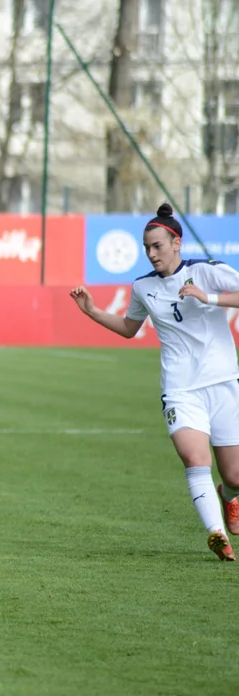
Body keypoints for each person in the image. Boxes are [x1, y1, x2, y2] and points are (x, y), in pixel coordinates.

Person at [70, 203, 239, 562]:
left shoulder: (207, 272)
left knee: (235, 476)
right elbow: (130, 329)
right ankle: (216, 534)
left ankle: (229, 497)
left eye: (157, 246)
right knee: (194, 458)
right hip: (179, 388)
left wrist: (207, 298)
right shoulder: (143, 287)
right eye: (146, 247)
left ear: (176, 242)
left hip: (223, 383)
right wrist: (93, 312)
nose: (151, 253)